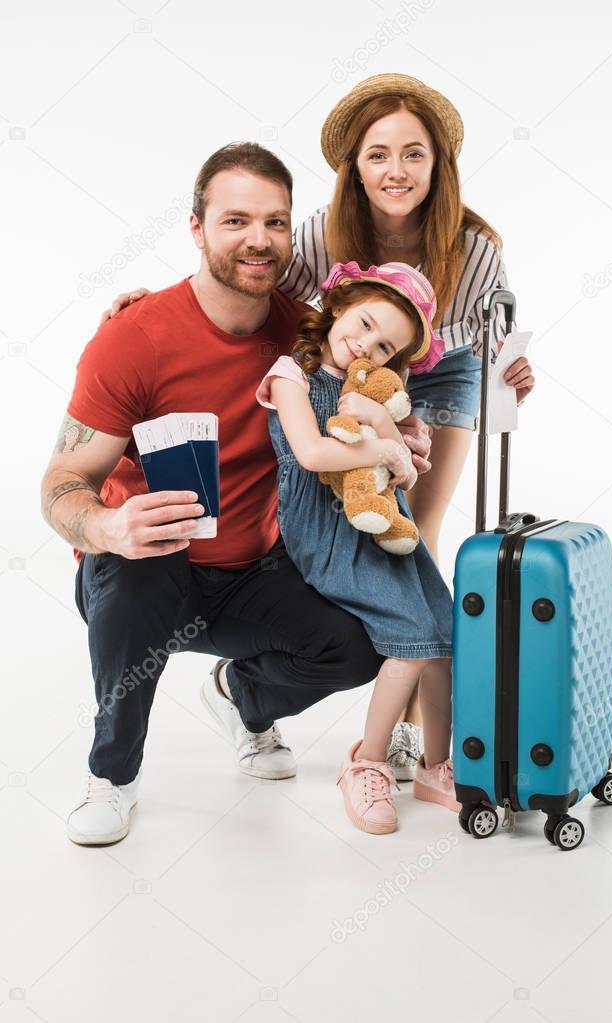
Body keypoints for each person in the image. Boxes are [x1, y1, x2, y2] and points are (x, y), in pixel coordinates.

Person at [96, 73, 535, 780]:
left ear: (437, 164)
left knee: (417, 536)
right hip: (350, 365)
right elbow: (247, 272)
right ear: (354, 166)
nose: (395, 170)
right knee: (366, 527)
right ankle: (348, 695)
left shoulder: (474, 244)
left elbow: (496, 333)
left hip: (441, 364)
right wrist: (157, 304)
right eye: (378, 154)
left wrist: (510, 369)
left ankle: (417, 736)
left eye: (413, 154)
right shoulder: (320, 234)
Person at [39, 142, 431, 847]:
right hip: (148, 558)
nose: (258, 239)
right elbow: (62, 485)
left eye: (275, 223)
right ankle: (112, 775)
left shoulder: (306, 333)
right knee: (137, 584)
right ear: (196, 228)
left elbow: (371, 378)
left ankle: (239, 697)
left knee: (357, 643)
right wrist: (106, 526)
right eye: (235, 221)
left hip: (253, 569)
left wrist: (406, 433)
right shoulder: (132, 338)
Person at [254, 259, 457, 835]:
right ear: (339, 306)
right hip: (326, 527)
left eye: (385, 346)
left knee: (443, 635)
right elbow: (315, 455)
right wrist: (385, 451)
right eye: (364, 323)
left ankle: (434, 766)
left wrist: (382, 426)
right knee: (410, 644)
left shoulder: (369, 389)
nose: (366, 344)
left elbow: (407, 470)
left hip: (386, 519)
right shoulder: (291, 374)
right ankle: (366, 763)